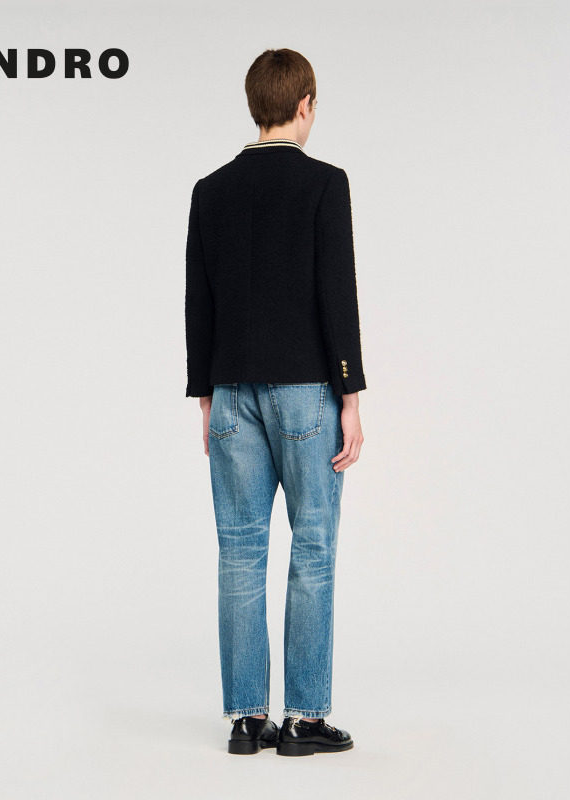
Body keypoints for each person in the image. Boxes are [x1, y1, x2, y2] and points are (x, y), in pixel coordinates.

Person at [184, 48, 366, 757]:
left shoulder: (210, 190)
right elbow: (336, 293)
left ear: (254, 104)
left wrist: (205, 393)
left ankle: (245, 720)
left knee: (239, 550)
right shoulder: (325, 184)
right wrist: (350, 392)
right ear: (304, 104)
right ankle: (304, 721)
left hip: (231, 390)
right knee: (312, 548)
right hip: (306, 393)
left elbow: (199, 299)